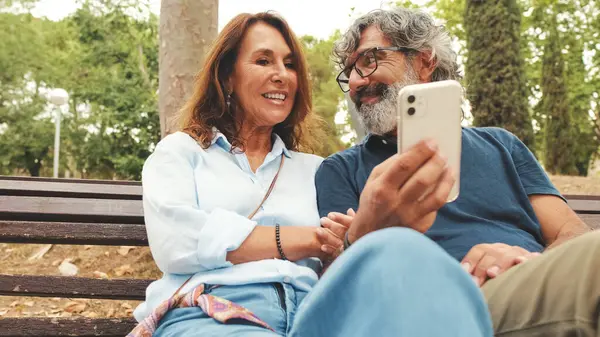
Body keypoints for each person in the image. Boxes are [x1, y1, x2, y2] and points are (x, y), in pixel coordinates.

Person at [131, 11, 493, 337]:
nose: (281, 75)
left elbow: (339, 262)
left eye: (290, 65)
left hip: (313, 316)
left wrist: (345, 240)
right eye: (263, 61)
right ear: (227, 76)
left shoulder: (317, 169)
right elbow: (177, 242)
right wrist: (310, 238)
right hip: (215, 311)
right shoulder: (181, 153)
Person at [316, 7, 600, 337]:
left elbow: (572, 232)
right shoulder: (340, 169)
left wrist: (524, 259)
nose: (354, 82)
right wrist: (359, 238)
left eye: (369, 60)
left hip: (539, 284)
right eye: (349, 71)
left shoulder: (501, 144)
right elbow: (338, 289)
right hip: (447, 309)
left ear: (424, 61)